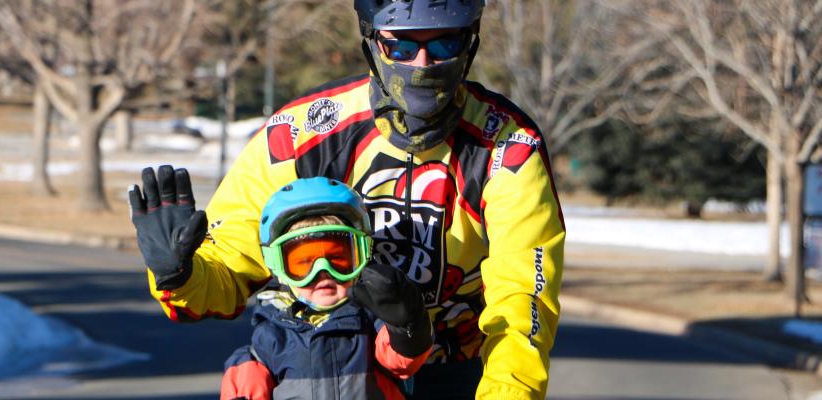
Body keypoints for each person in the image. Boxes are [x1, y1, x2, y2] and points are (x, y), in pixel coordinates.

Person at [128, 0, 565, 398]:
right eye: (402, 47)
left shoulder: (509, 146)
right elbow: (231, 265)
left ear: (470, 45)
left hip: (461, 368)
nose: (422, 64)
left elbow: (523, 299)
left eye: (445, 43)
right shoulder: (302, 135)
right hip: (340, 362)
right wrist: (178, 276)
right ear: (371, 45)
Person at [218, 177, 432, 399]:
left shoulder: (371, 322)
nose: (323, 272)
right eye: (303, 263)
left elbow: (404, 361)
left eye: (338, 259)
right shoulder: (271, 338)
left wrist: (406, 322)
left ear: (361, 254)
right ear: (277, 264)